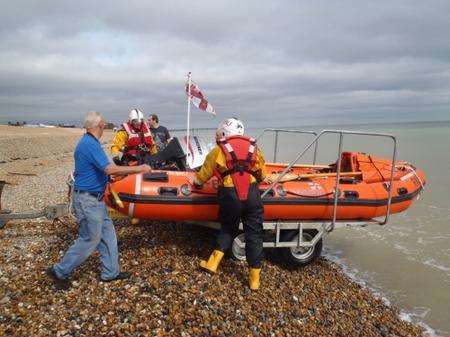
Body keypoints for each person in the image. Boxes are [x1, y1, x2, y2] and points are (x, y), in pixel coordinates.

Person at [47, 111, 152, 290]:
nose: (104, 126)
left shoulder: (89, 142)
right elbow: (109, 169)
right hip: (88, 201)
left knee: (108, 234)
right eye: (103, 124)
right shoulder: (90, 144)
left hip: (95, 199)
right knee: (89, 239)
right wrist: (139, 168)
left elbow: (98, 171)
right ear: (98, 126)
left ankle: (110, 272)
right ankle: (59, 271)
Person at [193, 117, 270, 291]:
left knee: (228, 228)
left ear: (224, 133)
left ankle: (212, 264)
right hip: (251, 194)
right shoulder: (254, 148)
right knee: (255, 234)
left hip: (229, 194)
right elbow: (262, 174)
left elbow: (204, 173)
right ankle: (254, 280)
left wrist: (197, 184)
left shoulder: (218, 150)